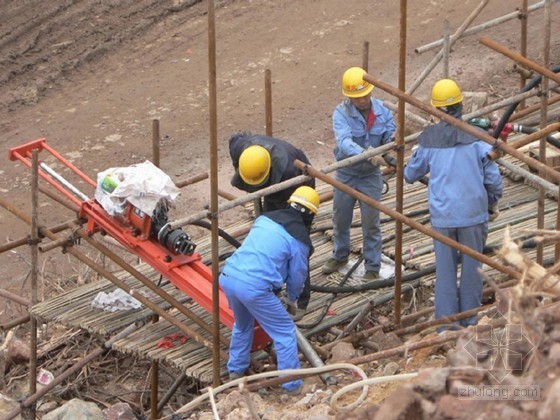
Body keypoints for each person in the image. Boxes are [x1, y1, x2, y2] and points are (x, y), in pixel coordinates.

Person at [404, 78, 503, 329]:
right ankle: (469, 322)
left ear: (436, 110)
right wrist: (491, 203)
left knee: (445, 272)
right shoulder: (478, 137)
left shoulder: (429, 139)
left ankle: (446, 326)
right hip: (473, 214)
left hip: (444, 216)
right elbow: (492, 179)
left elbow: (410, 174)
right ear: (461, 105)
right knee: (472, 269)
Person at [219, 186, 320, 393]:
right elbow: (298, 275)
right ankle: (291, 385)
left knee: (243, 325)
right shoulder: (299, 239)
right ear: (311, 215)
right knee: (284, 332)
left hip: (228, 276)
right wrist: (292, 299)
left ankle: (235, 372)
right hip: (254, 287)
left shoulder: (265, 219)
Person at [322, 66, 396, 280]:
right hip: (347, 172)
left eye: (364, 95)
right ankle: (340, 255)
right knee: (341, 217)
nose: (362, 100)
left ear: (370, 91)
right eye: (357, 97)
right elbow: (344, 142)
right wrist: (366, 153)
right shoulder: (341, 113)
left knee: (371, 222)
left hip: (371, 176)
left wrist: (391, 145)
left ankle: (372, 266)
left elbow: (390, 135)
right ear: (349, 97)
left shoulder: (383, 111)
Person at [229, 132, 315, 315]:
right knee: (268, 233)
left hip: (296, 189)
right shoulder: (241, 147)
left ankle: (300, 300)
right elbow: (235, 138)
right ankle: (269, 290)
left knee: (296, 244)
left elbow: (290, 225)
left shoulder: (291, 173)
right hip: (274, 184)